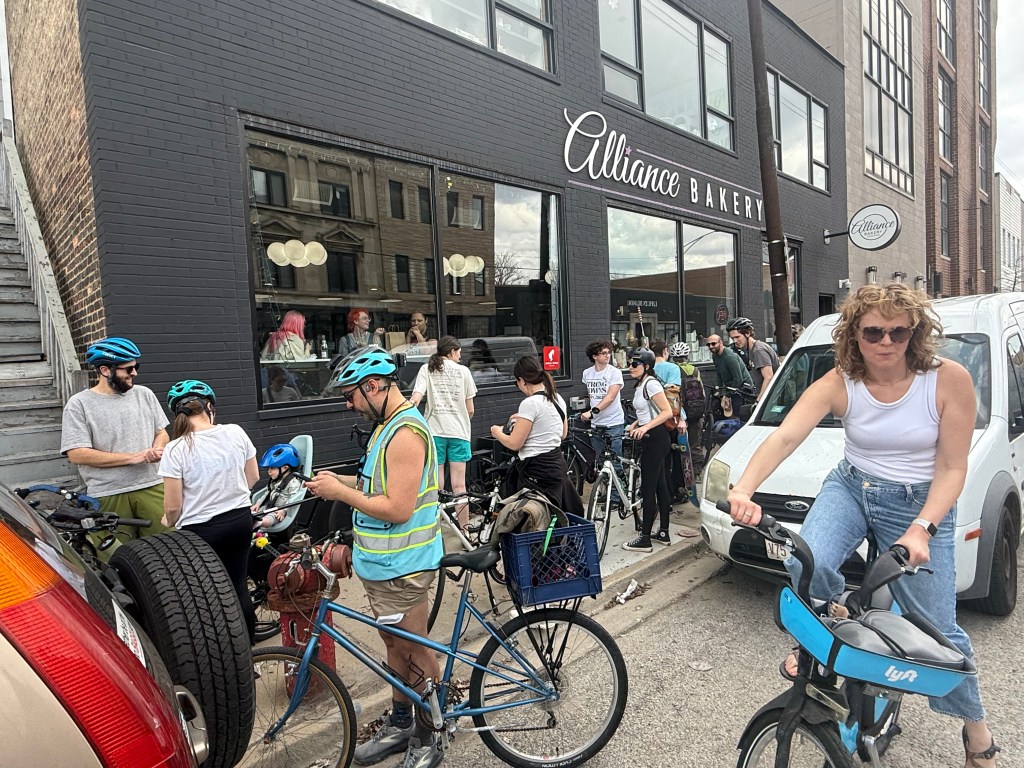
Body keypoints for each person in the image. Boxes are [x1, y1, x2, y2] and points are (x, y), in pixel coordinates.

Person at [725, 284, 1001, 768]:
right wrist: (743, 490)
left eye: (899, 331)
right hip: (853, 486)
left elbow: (953, 468)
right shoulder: (841, 380)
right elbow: (786, 436)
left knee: (938, 630)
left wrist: (922, 528)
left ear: (915, 332)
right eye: (873, 331)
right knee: (806, 559)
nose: (886, 341)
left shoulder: (947, 380)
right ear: (855, 333)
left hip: (918, 503)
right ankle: (832, 624)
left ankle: (976, 729)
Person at [305, 346, 443, 768]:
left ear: (374, 386)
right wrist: (339, 480)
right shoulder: (387, 426)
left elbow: (398, 508)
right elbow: (377, 483)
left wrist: (340, 493)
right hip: (385, 564)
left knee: (414, 649)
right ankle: (402, 723)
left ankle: (430, 733)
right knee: (394, 644)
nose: (349, 405)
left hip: (405, 566)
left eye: (351, 395)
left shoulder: (405, 433)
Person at [158, 380, 259, 643]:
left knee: (207, 596)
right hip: (239, 519)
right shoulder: (236, 432)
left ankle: (221, 653)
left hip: (200, 532)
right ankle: (248, 649)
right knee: (238, 586)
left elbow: (173, 506)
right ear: (209, 406)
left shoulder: (175, 449)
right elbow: (253, 477)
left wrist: (168, 520)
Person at [61, 337, 169, 533]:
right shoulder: (79, 404)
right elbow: (76, 454)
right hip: (108, 493)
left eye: (136, 367)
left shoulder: (144, 394)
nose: (134, 373)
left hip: (153, 485)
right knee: (117, 550)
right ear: (105, 370)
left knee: (168, 546)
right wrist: (133, 457)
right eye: (128, 369)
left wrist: (157, 448)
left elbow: (161, 432)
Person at [490, 355, 584, 519]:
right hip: (557, 466)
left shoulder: (530, 403)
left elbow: (514, 444)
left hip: (535, 472)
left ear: (522, 380)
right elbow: (562, 434)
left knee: (531, 519)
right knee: (554, 518)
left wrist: (497, 432)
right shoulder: (556, 398)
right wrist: (525, 420)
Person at [410, 336, 477, 528]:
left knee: (436, 485)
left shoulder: (427, 368)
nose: (460, 358)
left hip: (435, 431)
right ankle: (465, 530)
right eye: (459, 354)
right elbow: (470, 409)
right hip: (459, 432)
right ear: (452, 351)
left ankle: (434, 528)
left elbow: (416, 397)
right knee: (459, 485)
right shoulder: (464, 372)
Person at [621, 348, 675, 552]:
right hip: (652, 436)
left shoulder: (651, 384)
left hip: (655, 438)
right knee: (660, 485)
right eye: (629, 363)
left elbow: (666, 412)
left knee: (648, 488)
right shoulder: (642, 384)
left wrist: (645, 428)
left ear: (646, 366)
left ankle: (645, 539)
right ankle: (663, 532)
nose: (630, 367)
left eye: (635, 364)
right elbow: (648, 411)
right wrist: (636, 424)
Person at [580, 339, 625, 488]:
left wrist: (592, 412)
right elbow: (592, 395)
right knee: (601, 463)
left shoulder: (614, 373)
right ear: (594, 356)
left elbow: (610, 397)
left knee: (615, 463)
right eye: (603, 353)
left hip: (614, 423)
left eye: (609, 353)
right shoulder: (587, 373)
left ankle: (617, 496)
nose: (607, 356)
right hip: (596, 425)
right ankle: (606, 493)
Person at [652, 340, 687, 504]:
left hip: (653, 419)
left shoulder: (647, 369)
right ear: (666, 351)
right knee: (677, 457)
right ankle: (677, 491)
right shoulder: (672, 368)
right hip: (670, 419)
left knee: (661, 461)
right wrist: (681, 418)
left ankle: (664, 496)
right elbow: (673, 395)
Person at [251, 443, 307, 532]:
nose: (269, 472)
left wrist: (284, 511)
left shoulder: (293, 483)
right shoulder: (276, 480)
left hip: (279, 511)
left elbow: (293, 499)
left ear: (285, 468)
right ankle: (252, 520)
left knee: (272, 517)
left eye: (272, 468)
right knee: (258, 511)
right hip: (269, 506)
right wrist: (258, 504)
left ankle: (259, 522)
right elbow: (267, 492)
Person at [727, 316, 780, 400]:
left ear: (747, 333)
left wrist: (758, 401)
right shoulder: (751, 349)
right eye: (732, 338)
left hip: (773, 398)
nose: (735, 341)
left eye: (737, 337)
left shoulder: (758, 350)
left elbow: (768, 377)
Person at [707, 333, 753, 419]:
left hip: (743, 389)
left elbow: (738, 379)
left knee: (737, 416)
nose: (711, 346)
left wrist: (728, 395)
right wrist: (718, 389)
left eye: (713, 343)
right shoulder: (715, 356)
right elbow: (719, 373)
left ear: (721, 343)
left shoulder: (729, 357)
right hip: (731, 388)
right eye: (708, 344)